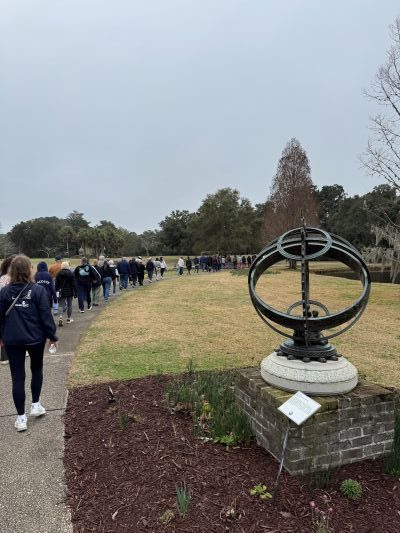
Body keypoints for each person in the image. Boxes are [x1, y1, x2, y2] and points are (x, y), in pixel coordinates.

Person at [0, 255, 58, 432]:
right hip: (35, 338)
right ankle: (35, 404)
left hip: (12, 339)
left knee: (17, 377)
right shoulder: (38, 290)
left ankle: (21, 417)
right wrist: (52, 336)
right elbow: (45, 315)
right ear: (29, 270)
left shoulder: (4, 292)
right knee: (36, 370)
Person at [0, 255, 16, 364]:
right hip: (12, 307)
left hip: (3, 307)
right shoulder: (12, 278)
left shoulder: (2, 278)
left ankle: (4, 356)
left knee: (4, 330)